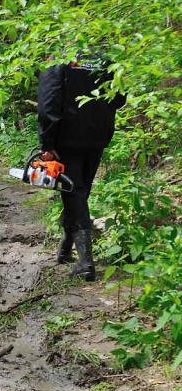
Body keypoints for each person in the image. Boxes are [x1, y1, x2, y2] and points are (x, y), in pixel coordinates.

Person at [37, 57, 125, 281]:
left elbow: (48, 104)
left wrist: (47, 144)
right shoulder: (104, 60)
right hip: (97, 136)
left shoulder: (59, 60)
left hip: (67, 139)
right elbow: (119, 98)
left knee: (74, 192)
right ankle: (66, 248)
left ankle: (85, 262)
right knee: (79, 192)